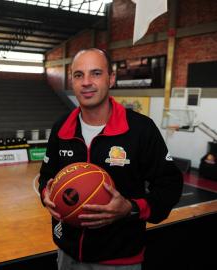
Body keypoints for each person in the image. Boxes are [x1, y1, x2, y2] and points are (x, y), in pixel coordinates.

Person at [38, 48, 183, 270]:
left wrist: (131, 208)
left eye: (96, 73)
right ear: (72, 81)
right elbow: (47, 177)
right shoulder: (61, 127)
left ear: (111, 78)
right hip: (67, 255)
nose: (86, 82)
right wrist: (46, 194)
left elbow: (170, 185)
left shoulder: (140, 129)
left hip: (119, 259)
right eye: (79, 75)